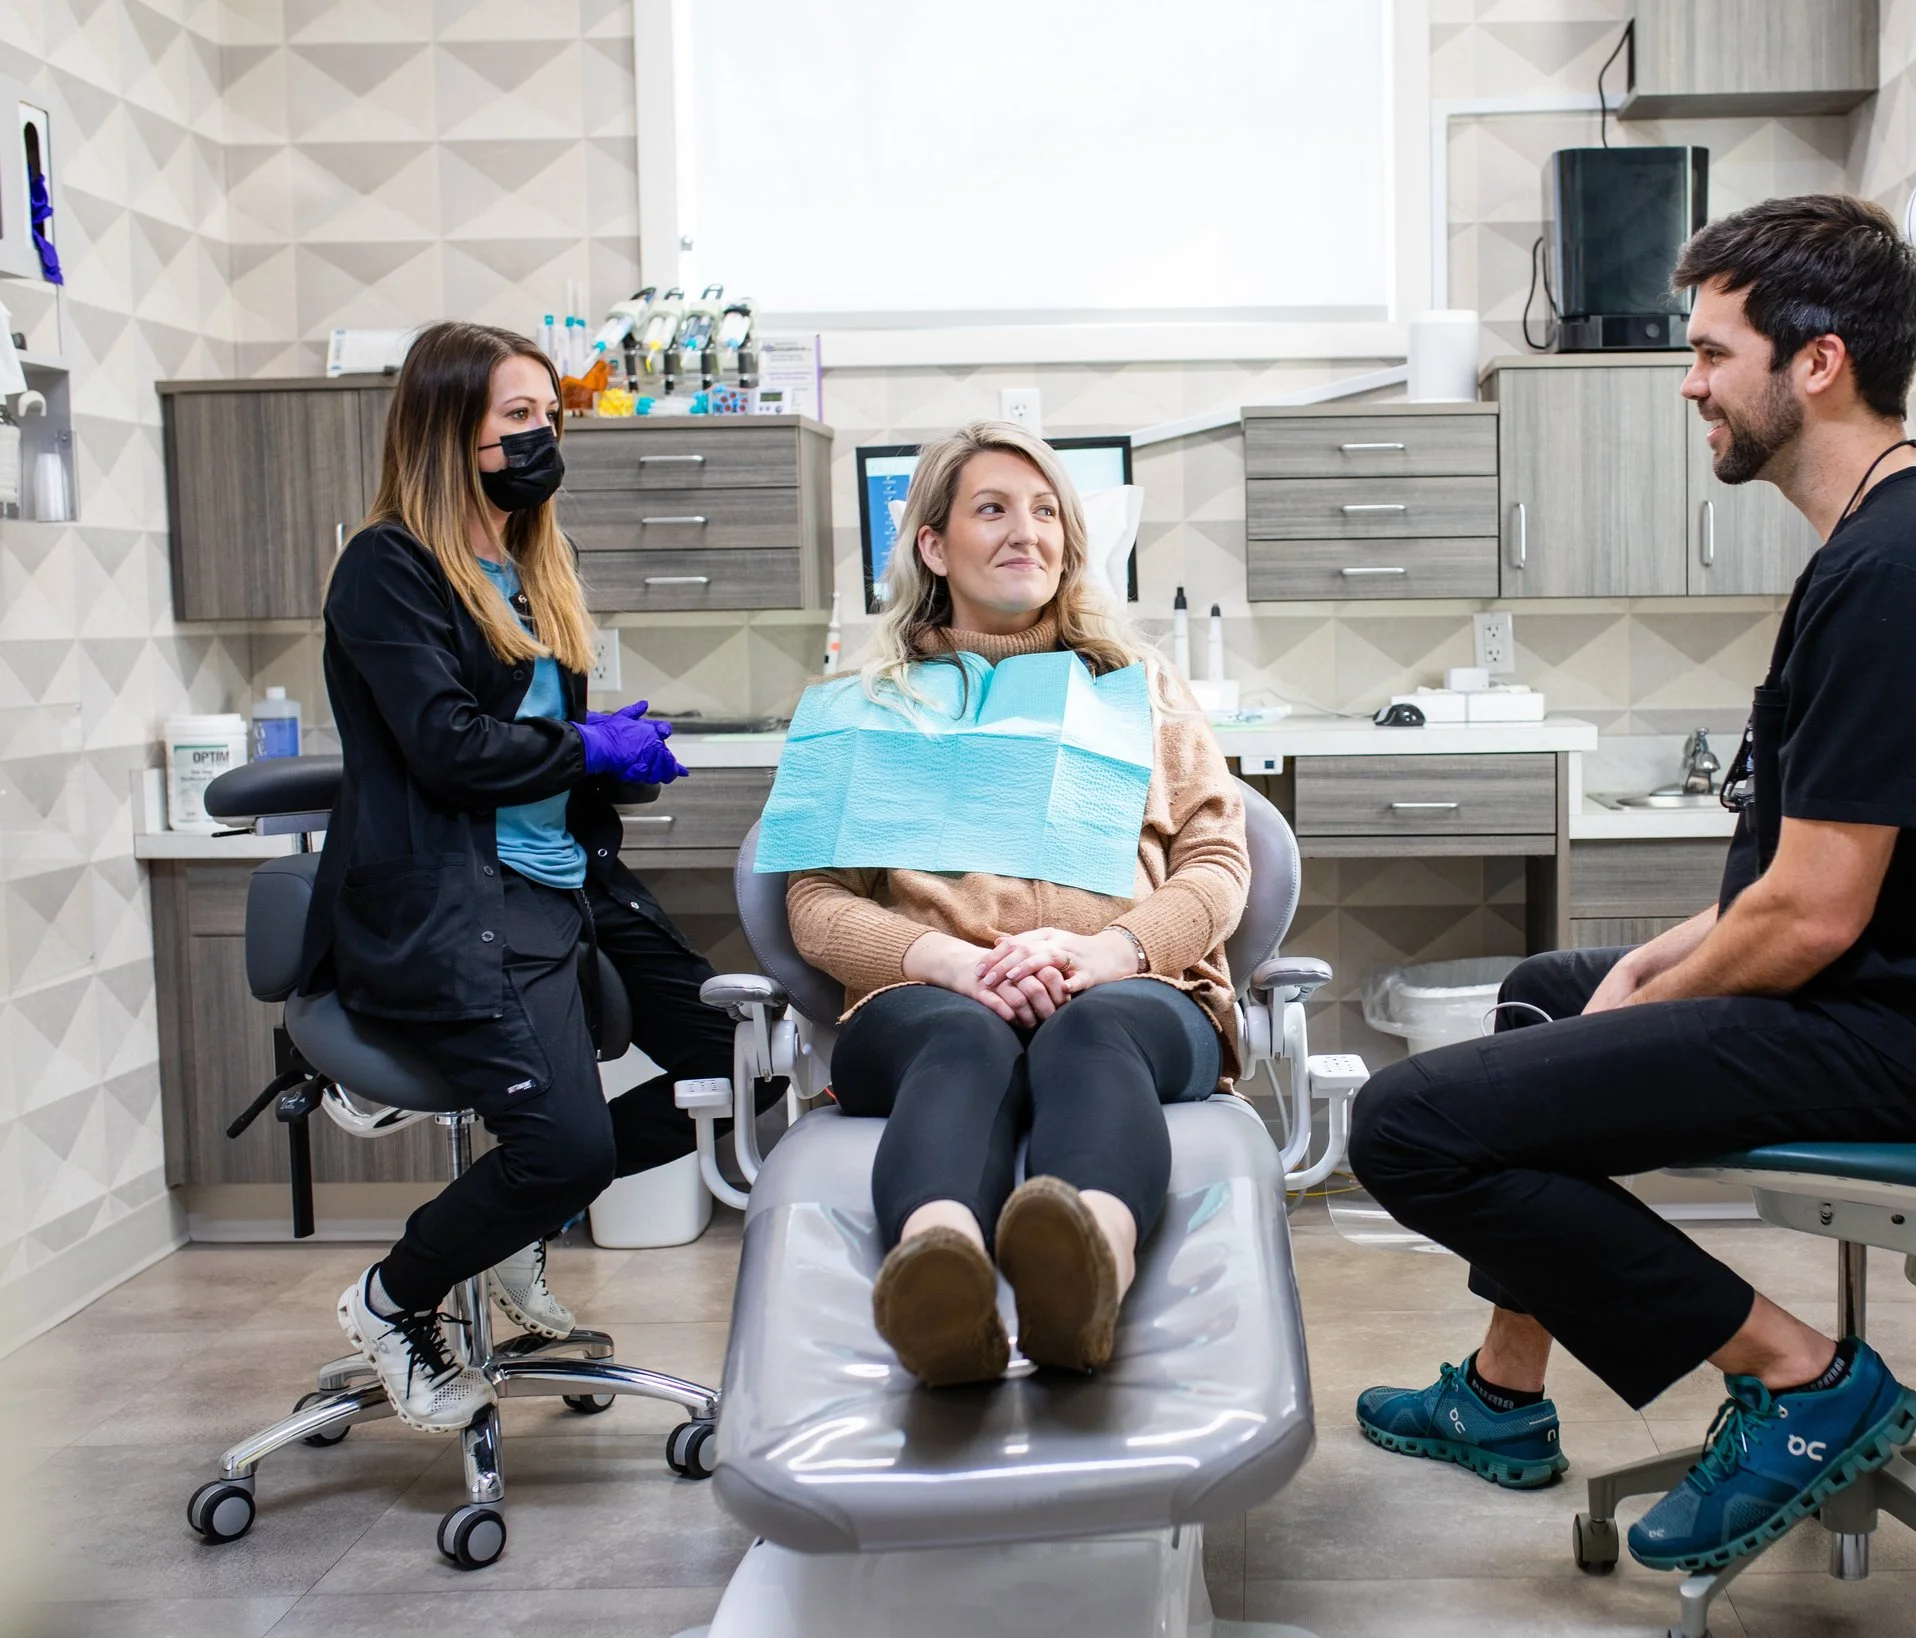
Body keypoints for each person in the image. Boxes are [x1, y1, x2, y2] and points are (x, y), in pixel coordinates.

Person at [1347, 195, 1916, 1574]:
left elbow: (1812, 914)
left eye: (1710, 351)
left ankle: (1804, 1378)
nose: (1689, 382)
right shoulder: (1893, 527)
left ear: (1817, 362)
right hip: (1890, 998)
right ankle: (1508, 1391)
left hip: (1911, 1042)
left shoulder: (1906, 571)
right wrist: (1636, 972)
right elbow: (1793, 866)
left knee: (1406, 1126)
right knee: (1542, 987)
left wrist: (1655, 994)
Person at [308, 320, 774, 1431]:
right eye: (517, 417)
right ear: (445, 428)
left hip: (569, 886)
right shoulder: (388, 567)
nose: (542, 436)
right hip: (463, 904)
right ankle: (392, 1297)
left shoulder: (527, 568)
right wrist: (585, 746)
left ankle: (514, 1220)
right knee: (562, 1145)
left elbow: (531, 750)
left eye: (547, 417)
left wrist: (606, 754)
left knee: (750, 1065)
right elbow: (447, 746)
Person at [784, 421, 1247, 1387]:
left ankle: (1090, 1277)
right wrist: (947, 962)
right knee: (961, 1038)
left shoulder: (1142, 688)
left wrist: (1112, 951)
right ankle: (939, 1278)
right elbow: (816, 904)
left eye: (1046, 513)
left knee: (1093, 1030)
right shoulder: (870, 702)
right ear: (931, 544)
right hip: (932, 1000)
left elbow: (1216, 866)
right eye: (990, 509)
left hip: (1133, 991)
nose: (1023, 532)